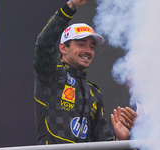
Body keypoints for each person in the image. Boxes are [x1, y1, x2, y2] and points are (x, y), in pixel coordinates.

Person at [33, 0, 137, 145]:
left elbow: (103, 142)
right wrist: (70, 7)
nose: (88, 51)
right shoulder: (52, 74)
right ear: (63, 48)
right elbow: (44, 44)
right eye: (81, 44)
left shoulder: (94, 93)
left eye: (92, 47)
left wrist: (121, 140)